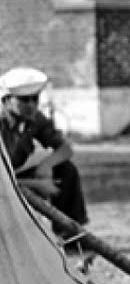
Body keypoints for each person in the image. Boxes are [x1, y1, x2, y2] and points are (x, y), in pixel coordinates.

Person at [1, 67, 89, 237]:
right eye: (24, 100)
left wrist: (46, 165)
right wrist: (38, 185)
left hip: (16, 178)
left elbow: (65, 149)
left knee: (66, 170)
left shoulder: (34, 119)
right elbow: (2, 179)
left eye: (35, 99)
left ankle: (69, 233)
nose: (31, 105)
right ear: (6, 100)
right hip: (3, 183)